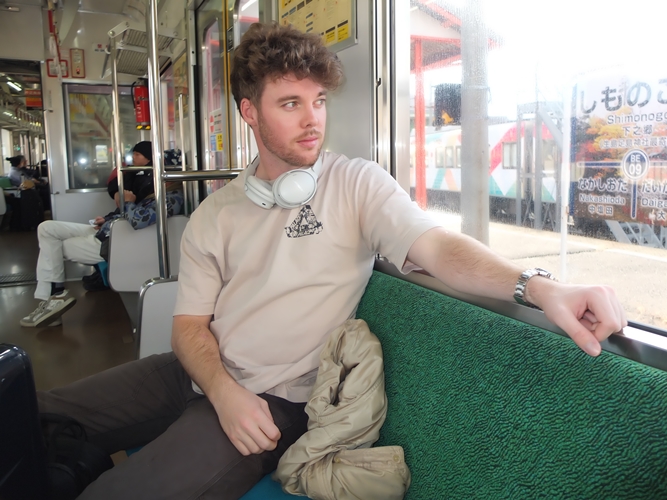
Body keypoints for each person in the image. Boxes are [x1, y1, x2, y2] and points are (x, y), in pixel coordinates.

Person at [36, 23, 626, 498]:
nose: (312, 118)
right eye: (290, 103)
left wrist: (537, 286)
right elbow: (189, 326)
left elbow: (437, 246)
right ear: (249, 112)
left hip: (275, 400)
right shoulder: (216, 215)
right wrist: (218, 388)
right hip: (194, 374)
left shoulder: (356, 185)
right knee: (31, 414)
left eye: (318, 101)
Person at [20, 141, 184, 328]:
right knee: (47, 228)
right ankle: (55, 295)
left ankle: (53, 298)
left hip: (118, 241)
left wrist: (128, 202)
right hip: (110, 230)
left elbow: (138, 221)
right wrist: (107, 219)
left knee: (55, 248)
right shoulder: (154, 193)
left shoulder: (172, 198)